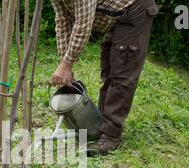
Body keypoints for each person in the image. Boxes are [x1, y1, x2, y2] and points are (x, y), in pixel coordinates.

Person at [50, 0, 159, 155]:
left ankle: (110, 136)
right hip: (116, 18)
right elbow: (63, 21)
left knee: (122, 74)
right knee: (108, 70)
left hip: (134, 9)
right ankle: (102, 126)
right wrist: (64, 63)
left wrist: (66, 65)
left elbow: (82, 26)